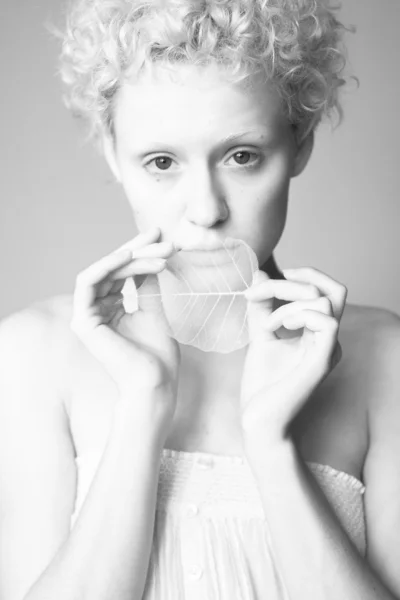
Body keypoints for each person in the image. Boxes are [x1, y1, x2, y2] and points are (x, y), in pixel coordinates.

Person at [0, 0, 399, 598]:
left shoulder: (385, 359)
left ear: (300, 143)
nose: (206, 210)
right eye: (161, 162)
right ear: (113, 155)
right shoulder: (32, 354)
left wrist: (271, 442)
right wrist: (143, 404)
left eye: (242, 156)